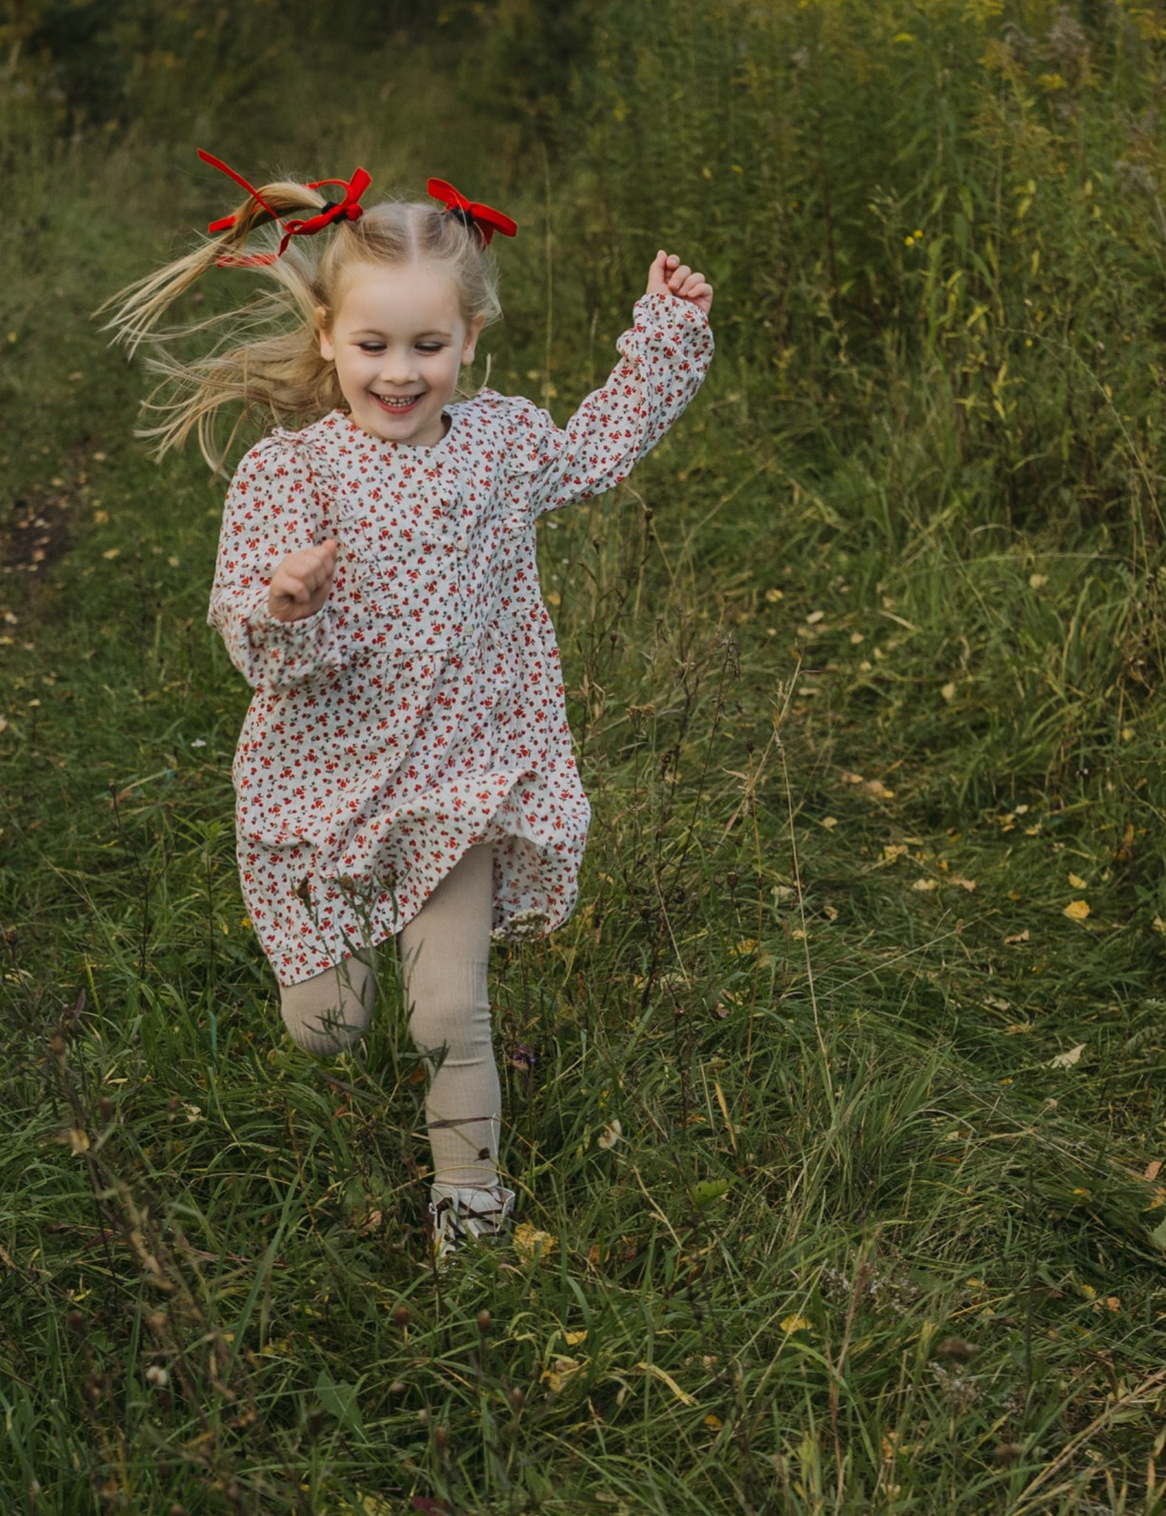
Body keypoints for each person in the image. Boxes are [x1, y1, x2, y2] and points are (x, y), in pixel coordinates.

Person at [107, 157, 715, 1264]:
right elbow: (253, 637)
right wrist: (286, 602)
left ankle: (469, 1213)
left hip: (465, 773)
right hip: (324, 777)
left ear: (469, 342)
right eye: (373, 345)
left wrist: (664, 332)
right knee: (328, 1027)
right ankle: (350, 992)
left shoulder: (502, 444)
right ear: (330, 338)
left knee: (448, 1013)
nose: (399, 372)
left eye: (427, 346)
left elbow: (599, 448)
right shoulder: (291, 473)